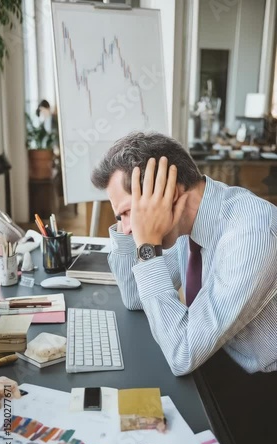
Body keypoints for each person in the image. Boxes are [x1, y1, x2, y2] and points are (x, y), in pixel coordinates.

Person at [91, 131, 277, 376]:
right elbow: (135, 297)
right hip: (216, 359)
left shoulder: (251, 233)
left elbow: (183, 354)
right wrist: (134, 233)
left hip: (260, 386)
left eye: (129, 213)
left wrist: (147, 245)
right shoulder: (187, 220)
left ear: (170, 193)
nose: (125, 228)